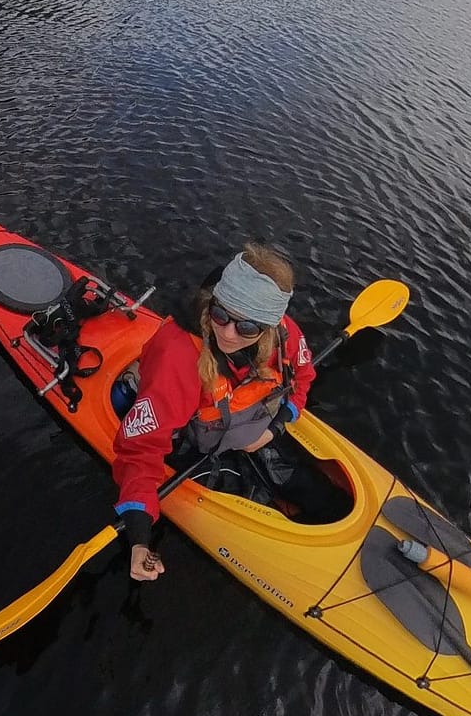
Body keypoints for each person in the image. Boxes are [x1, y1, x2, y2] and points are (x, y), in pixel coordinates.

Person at [110, 241, 320, 582]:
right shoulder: (179, 358)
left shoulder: (285, 335)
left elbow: (303, 379)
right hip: (189, 441)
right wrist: (138, 537)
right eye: (221, 315)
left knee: (310, 488)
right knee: (256, 504)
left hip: (249, 433)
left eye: (246, 328)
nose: (227, 332)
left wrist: (277, 427)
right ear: (213, 303)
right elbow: (141, 451)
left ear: (268, 326)